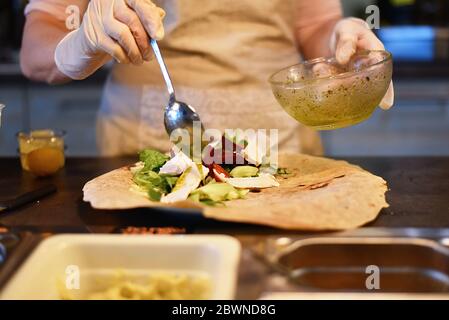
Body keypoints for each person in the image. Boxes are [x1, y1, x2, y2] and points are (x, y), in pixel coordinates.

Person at [20, 0, 394, 156]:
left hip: (281, 151)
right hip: (145, 154)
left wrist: (338, 39)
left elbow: (313, 24)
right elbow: (38, 42)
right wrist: (78, 44)